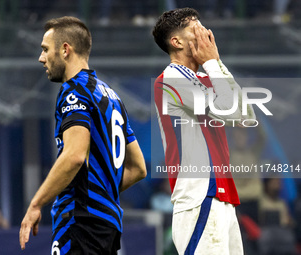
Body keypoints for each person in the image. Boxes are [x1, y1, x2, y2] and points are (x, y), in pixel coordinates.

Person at [19, 16, 147, 254]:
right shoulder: (111, 96)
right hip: (108, 225)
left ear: (65, 50)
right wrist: (101, 194)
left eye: (45, 50)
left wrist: (36, 204)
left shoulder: (74, 92)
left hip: (81, 223)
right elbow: (139, 167)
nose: (41, 58)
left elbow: (74, 155)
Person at [152, 7, 256, 255]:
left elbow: (246, 116)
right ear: (176, 42)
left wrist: (216, 62)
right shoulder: (170, 79)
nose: (205, 35)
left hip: (222, 196)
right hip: (198, 197)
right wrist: (211, 62)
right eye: (195, 30)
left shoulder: (207, 78)